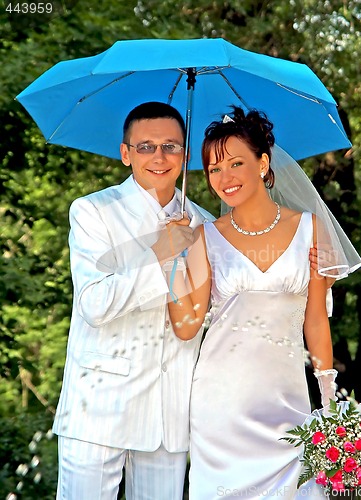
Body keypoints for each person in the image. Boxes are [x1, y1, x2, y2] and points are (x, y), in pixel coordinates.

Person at [165, 107, 361, 499]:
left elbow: (316, 322)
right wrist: (173, 262)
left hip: (287, 402)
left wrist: (327, 401)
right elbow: (187, 325)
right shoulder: (205, 237)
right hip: (220, 404)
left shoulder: (310, 227)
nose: (226, 178)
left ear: (263, 163)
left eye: (236, 162)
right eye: (214, 169)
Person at [52, 101, 215, 500]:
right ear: (126, 153)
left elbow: (211, 315)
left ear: (186, 154)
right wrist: (161, 254)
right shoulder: (93, 212)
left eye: (171, 146)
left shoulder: (206, 224)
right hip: (98, 408)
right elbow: (94, 304)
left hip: (169, 414)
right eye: (146, 146)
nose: (159, 157)